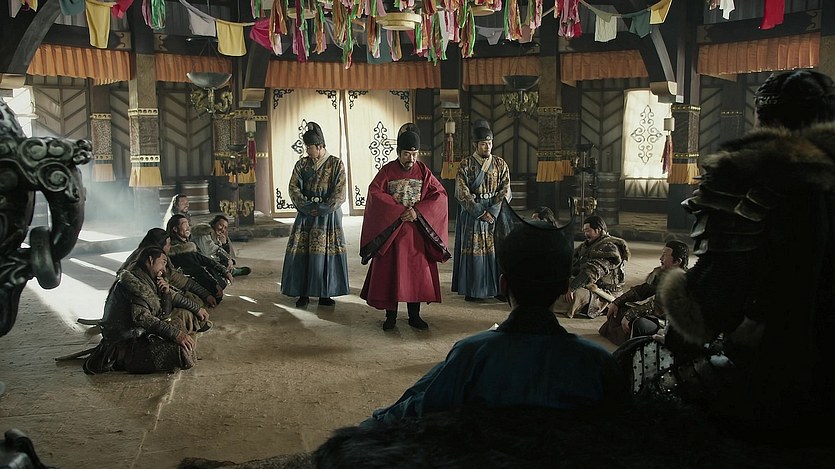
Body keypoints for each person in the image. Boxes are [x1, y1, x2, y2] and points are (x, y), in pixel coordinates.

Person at [646, 69, 835, 445]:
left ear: (763, 118)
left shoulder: (749, 177)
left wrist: (680, 336)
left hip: (769, 381)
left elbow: (710, 301)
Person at [363, 220, 630, 426]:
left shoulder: (470, 355)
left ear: (502, 285)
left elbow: (419, 408)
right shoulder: (598, 362)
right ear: (563, 287)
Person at [359, 123, 450, 331]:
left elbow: (440, 195)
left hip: (416, 232)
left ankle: (414, 316)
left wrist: (418, 212)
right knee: (390, 273)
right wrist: (397, 211)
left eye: (415, 154)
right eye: (407, 154)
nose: (411, 158)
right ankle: (390, 316)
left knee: (415, 275)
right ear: (398, 152)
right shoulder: (387, 171)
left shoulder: (423, 171)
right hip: (392, 231)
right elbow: (375, 193)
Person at [83, 246, 198, 374]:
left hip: (140, 337)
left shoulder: (147, 280)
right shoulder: (133, 284)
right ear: (150, 260)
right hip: (124, 345)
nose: (164, 269)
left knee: (178, 325)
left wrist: (166, 294)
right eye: (163, 262)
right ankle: (123, 361)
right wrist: (176, 335)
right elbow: (144, 319)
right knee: (179, 350)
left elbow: (163, 317)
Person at [280, 122, 349, 308]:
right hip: (306, 214)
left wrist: (324, 208)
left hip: (328, 216)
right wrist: (306, 206)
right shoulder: (302, 164)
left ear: (320, 146)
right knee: (302, 254)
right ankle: (303, 293)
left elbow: (340, 191)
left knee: (326, 255)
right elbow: (293, 187)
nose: (307, 150)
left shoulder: (336, 164)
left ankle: (325, 293)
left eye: (309, 147)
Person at [451, 119, 511, 302]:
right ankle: (474, 290)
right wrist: (479, 212)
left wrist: (493, 211)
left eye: (490, 143)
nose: (487, 147)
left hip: (495, 212)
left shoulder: (500, 164)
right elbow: (461, 192)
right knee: (474, 253)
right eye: (483, 144)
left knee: (497, 251)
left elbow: (505, 189)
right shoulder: (466, 164)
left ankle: (499, 288)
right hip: (474, 214)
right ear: (475, 145)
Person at [598, 240, 688, 346]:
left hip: (669, 324)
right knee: (619, 311)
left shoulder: (683, 282)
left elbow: (658, 305)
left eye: (665, 255)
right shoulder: (661, 274)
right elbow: (642, 290)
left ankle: (631, 347)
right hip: (655, 315)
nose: (661, 258)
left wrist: (631, 314)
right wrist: (617, 302)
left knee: (639, 324)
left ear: (677, 261)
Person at [122, 227, 218, 313]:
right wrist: (196, 309)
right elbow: (171, 294)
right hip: (139, 312)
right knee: (185, 313)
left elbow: (181, 281)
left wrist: (206, 295)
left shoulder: (148, 257)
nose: (170, 247)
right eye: (168, 244)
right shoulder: (148, 266)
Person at [557, 215, 629, 319]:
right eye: (584, 231)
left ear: (598, 230)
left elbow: (592, 271)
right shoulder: (587, 245)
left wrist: (572, 288)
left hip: (604, 292)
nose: (585, 234)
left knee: (571, 296)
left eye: (588, 231)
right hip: (589, 285)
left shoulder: (610, 247)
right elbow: (572, 263)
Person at [166, 214, 231, 303]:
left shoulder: (187, 245)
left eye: (188, 224)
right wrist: (213, 286)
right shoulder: (179, 251)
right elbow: (197, 270)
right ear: (175, 229)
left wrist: (224, 271)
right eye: (184, 224)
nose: (188, 227)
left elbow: (204, 259)